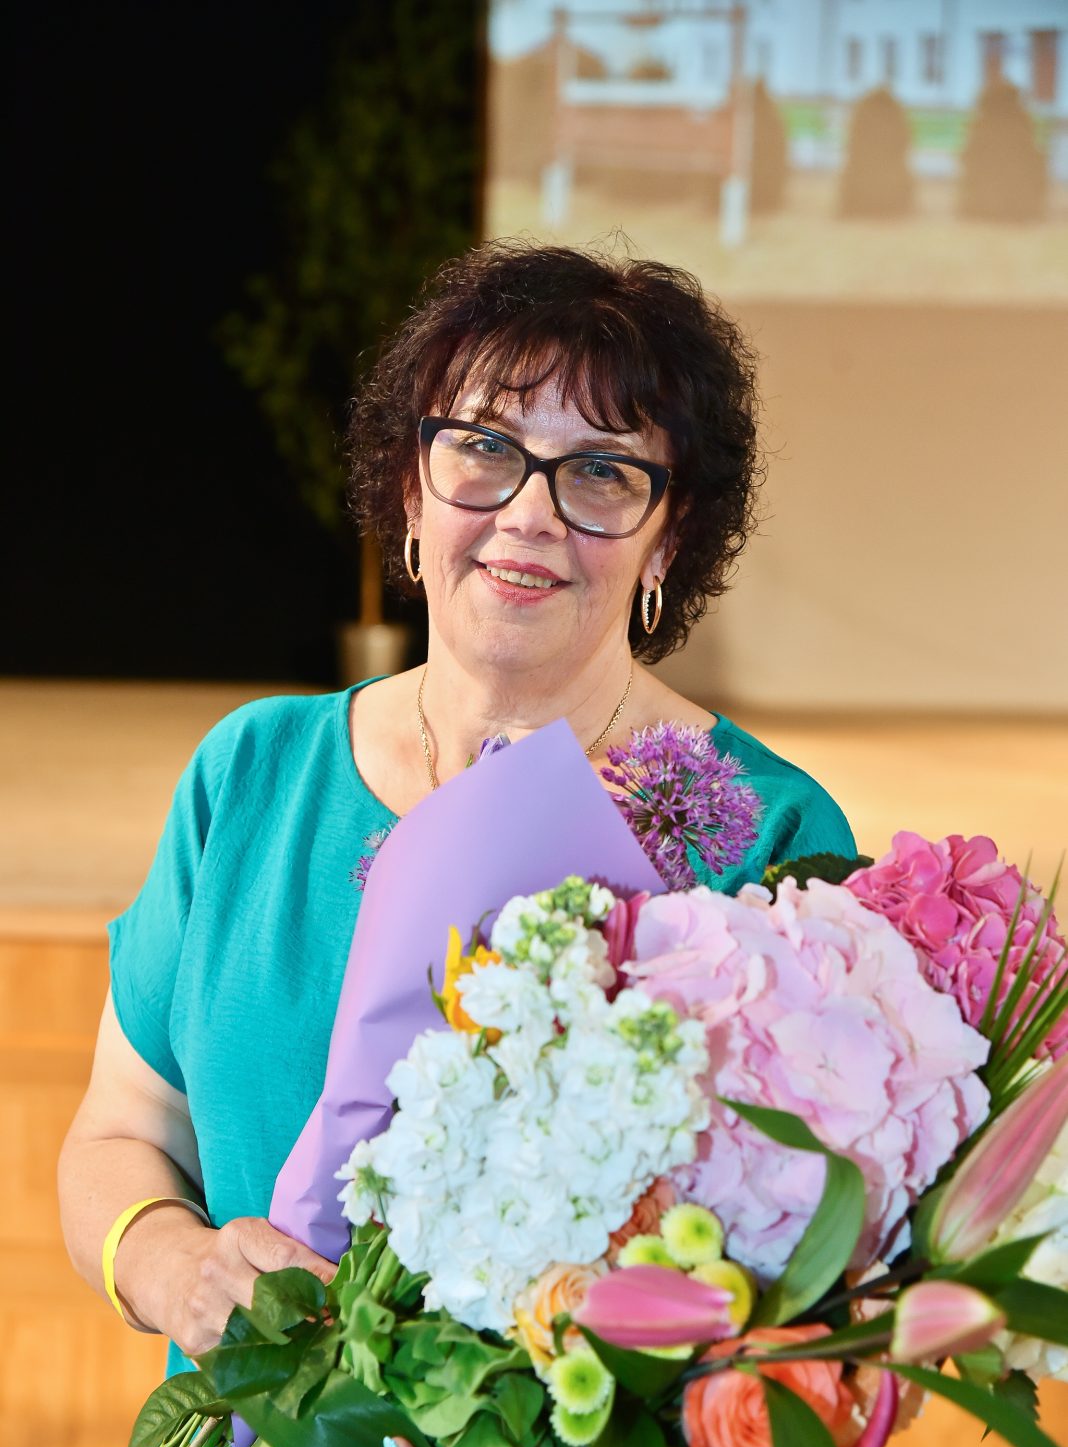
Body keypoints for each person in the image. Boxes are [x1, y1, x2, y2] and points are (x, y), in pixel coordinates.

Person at [59, 241, 855, 1369]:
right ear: (410, 488)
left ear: (669, 536)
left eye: (601, 471)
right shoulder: (252, 774)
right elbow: (118, 1133)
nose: (530, 514)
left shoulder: (766, 837)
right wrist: (172, 1266)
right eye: (483, 448)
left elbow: (806, 1275)